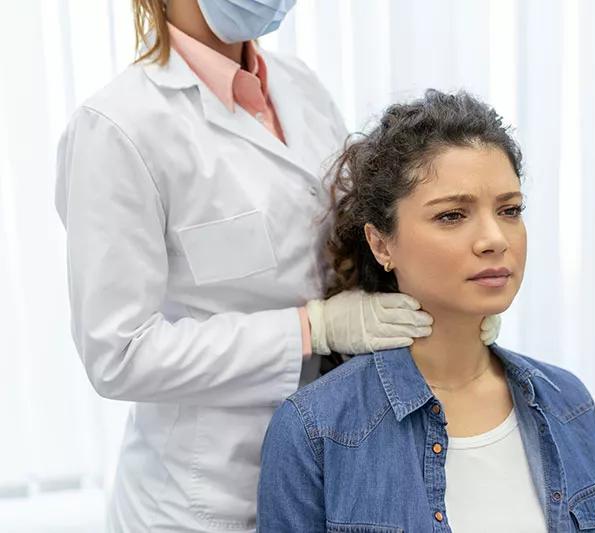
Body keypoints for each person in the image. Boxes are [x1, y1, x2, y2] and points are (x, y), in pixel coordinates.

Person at [54, 1, 503, 531]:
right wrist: (311, 329)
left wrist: (442, 309)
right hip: (206, 502)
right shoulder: (117, 128)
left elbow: (359, 237)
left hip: (341, 464)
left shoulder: (299, 87)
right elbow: (120, 354)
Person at [258, 90, 595, 532]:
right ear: (381, 244)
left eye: (510, 210)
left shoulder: (569, 403)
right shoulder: (314, 431)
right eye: (452, 215)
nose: (494, 239)